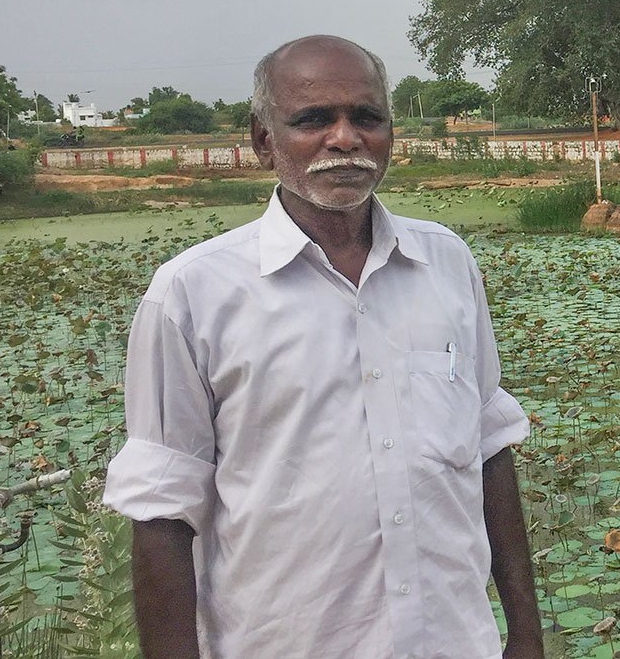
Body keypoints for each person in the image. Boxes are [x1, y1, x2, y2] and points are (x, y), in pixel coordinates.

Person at [103, 35, 544, 659]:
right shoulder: (193, 293)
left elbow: (488, 448)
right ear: (263, 141)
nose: (345, 139)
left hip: (452, 641)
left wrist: (526, 633)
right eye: (313, 120)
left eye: (367, 117)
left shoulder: (445, 262)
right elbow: (161, 511)